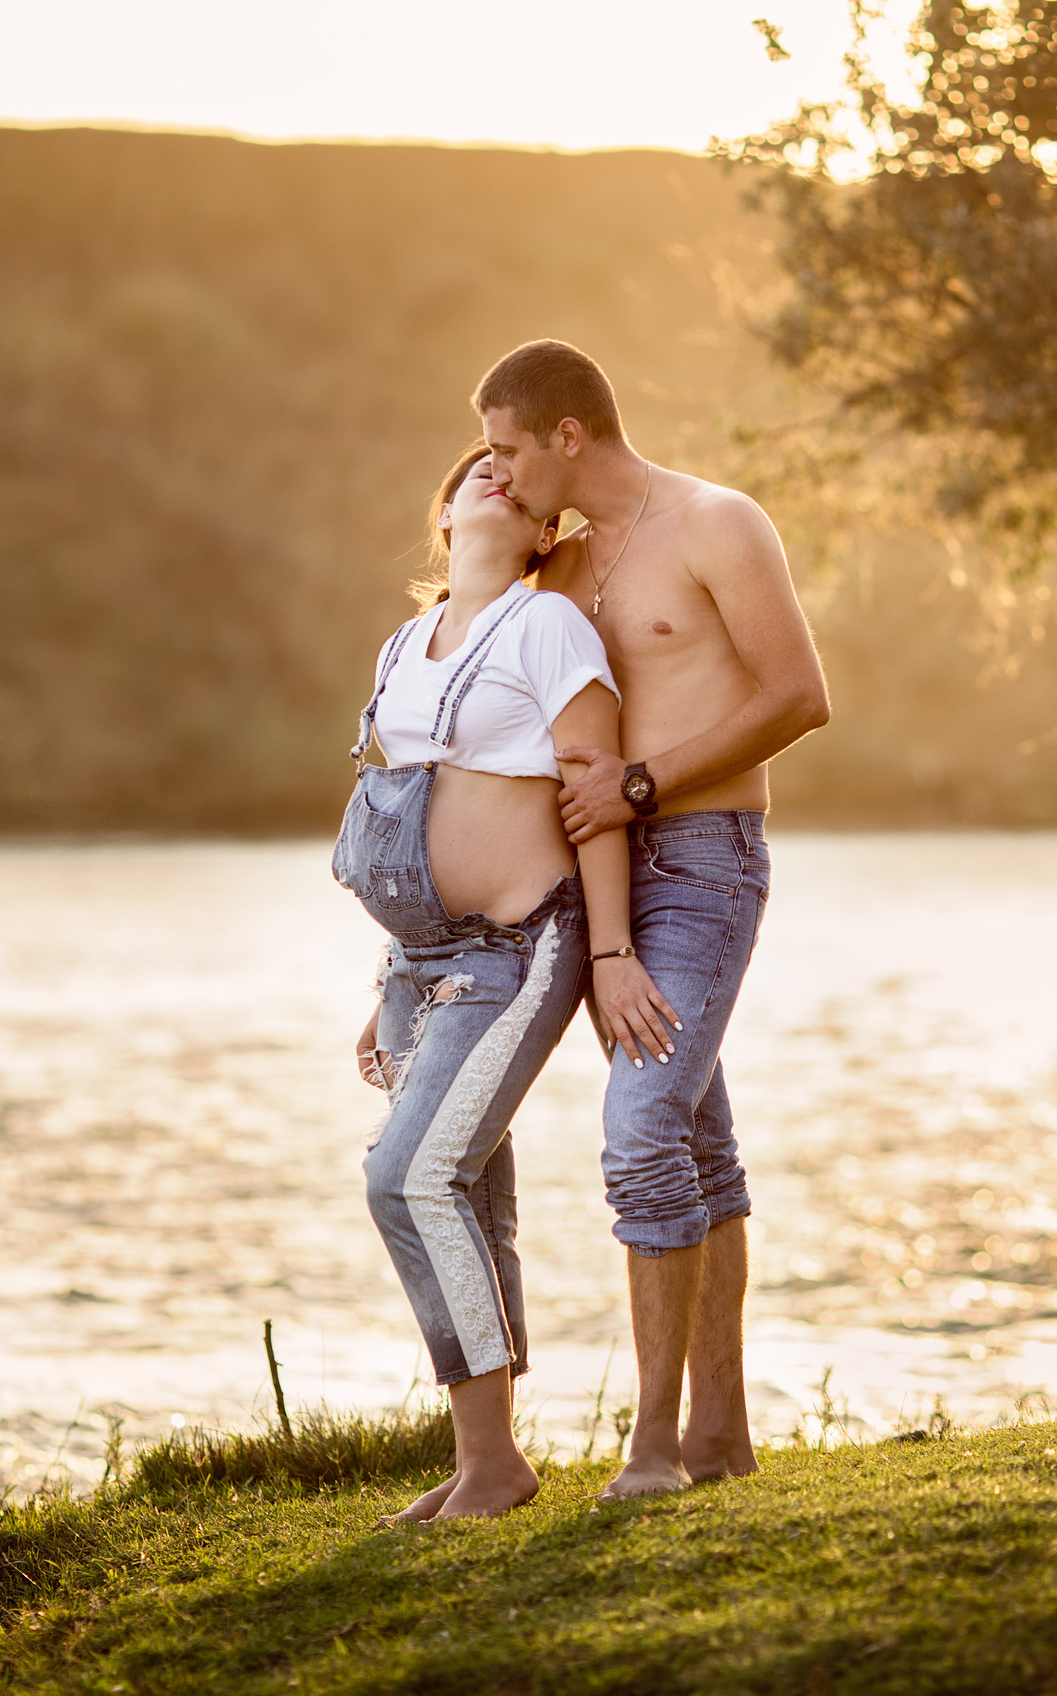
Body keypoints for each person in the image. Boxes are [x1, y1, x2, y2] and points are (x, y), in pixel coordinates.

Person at [475, 339, 831, 1498]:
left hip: (705, 863)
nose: (497, 469)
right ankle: (720, 1439)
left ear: (568, 434)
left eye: (506, 448)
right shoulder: (562, 569)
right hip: (602, 879)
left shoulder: (718, 523)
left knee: (638, 1134)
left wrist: (642, 783)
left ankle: (654, 1448)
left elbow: (798, 696)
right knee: (693, 1143)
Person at [336, 441, 682, 1520]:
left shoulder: (548, 626)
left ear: (542, 531)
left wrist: (611, 953)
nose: (491, 470)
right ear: (443, 516)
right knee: (465, 1188)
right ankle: (484, 1457)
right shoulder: (404, 645)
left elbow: (595, 796)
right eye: (470, 467)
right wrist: (384, 980)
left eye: (510, 467)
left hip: (514, 945)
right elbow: (401, 813)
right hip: (418, 961)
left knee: (408, 1176)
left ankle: (493, 1462)